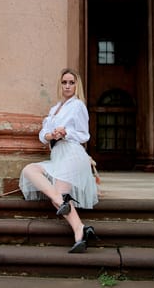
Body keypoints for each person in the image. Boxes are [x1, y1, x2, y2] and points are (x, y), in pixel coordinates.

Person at [19, 68, 98, 253]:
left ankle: (79, 231)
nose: (68, 86)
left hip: (72, 154)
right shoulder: (54, 109)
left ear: (76, 85)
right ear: (60, 85)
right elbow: (42, 135)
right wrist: (49, 135)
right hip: (57, 156)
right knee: (29, 170)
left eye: (71, 83)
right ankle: (81, 227)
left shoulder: (78, 105)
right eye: (64, 82)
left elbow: (84, 135)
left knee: (61, 193)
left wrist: (65, 132)